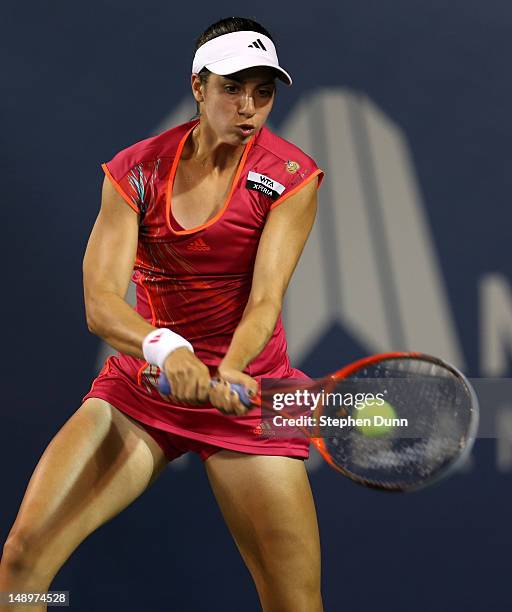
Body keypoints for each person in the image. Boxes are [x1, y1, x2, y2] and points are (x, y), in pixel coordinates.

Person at [0, 16, 324, 612]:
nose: (248, 106)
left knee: (293, 604)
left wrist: (229, 367)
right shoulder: (136, 170)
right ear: (198, 86)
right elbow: (100, 305)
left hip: (248, 396)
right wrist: (167, 349)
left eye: (263, 91)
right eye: (232, 87)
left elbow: (266, 300)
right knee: (23, 558)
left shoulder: (290, 178)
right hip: (143, 389)